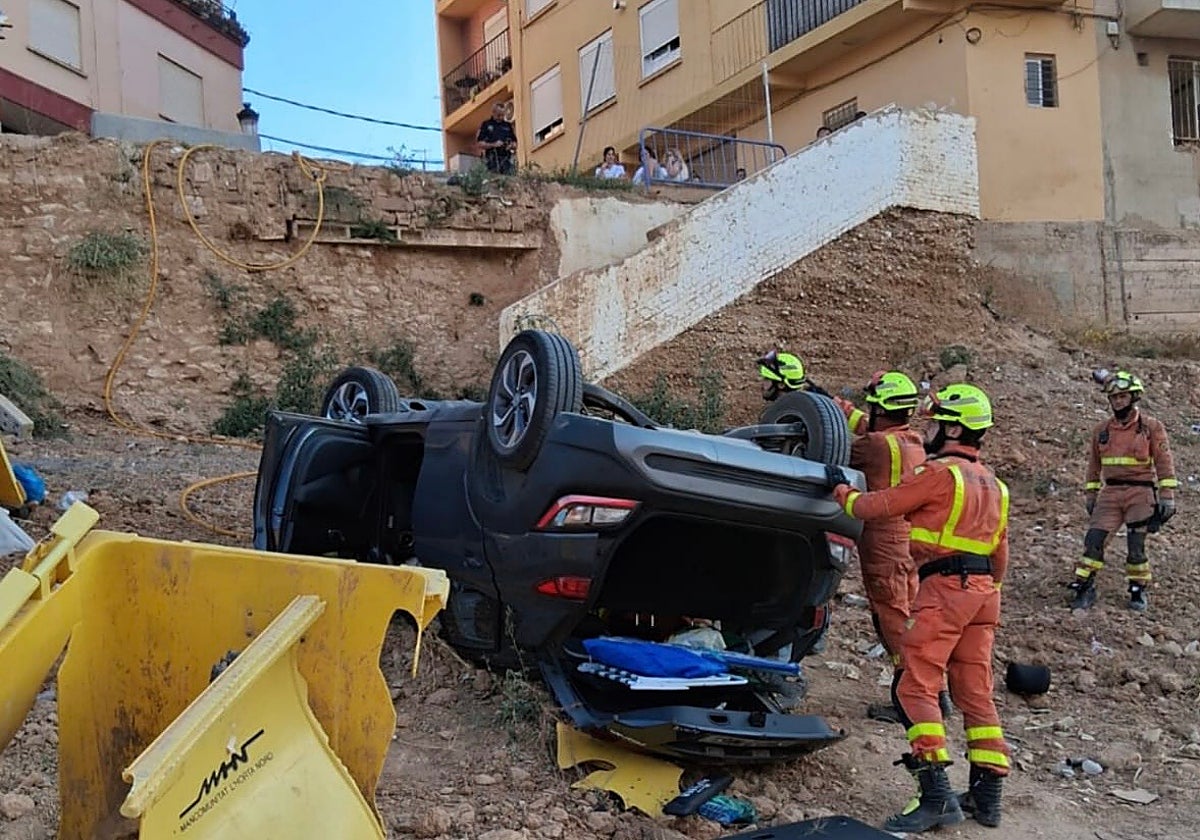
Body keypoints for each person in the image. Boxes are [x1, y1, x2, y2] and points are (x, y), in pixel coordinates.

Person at [828, 384, 1010, 832]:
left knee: (915, 687)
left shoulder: (940, 473)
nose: (928, 428)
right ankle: (987, 796)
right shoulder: (995, 485)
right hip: (984, 593)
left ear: (952, 426)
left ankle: (935, 795)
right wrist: (984, 591)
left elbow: (879, 505)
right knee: (974, 692)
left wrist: (839, 491)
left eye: (935, 421)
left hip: (945, 589)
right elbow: (1001, 553)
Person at [834, 372, 930, 723]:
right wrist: (841, 407)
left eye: (872, 405)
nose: (868, 411)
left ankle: (910, 700)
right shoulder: (912, 440)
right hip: (908, 540)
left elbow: (837, 449)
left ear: (882, 409)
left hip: (884, 543)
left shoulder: (875, 446)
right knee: (909, 615)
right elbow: (868, 426)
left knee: (891, 618)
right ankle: (935, 692)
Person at [1067, 370, 1177, 612]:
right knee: (1094, 541)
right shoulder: (1102, 430)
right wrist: (1091, 494)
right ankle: (1085, 587)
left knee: (1136, 545)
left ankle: (1137, 590)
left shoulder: (1150, 427)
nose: (1118, 402)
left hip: (1141, 493)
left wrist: (1167, 495)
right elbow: (1094, 465)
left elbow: (1164, 461)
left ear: (1133, 397)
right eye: (1114, 397)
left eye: (1123, 397)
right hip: (1111, 493)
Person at [755, 350, 830, 400]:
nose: (762, 385)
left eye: (766, 379)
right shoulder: (820, 399)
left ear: (781, 385)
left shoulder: (785, 417)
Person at [476, 102, 517, 174]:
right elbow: (480, 144)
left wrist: (510, 146)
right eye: (499, 115)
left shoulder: (508, 126)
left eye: (502, 115)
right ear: (493, 113)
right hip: (492, 159)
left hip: (506, 159)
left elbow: (515, 143)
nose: (501, 117)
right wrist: (494, 144)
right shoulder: (486, 125)